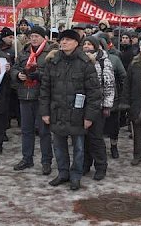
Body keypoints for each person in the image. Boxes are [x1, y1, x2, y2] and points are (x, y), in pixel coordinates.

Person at [40, 29, 102, 191]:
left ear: (76, 43)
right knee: (59, 146)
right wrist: (45, 112)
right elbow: (45, 89)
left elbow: (94, 93)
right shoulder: (52, 61)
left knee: (79, 148)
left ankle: (76, 176)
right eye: (62, 40)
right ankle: (63, 173)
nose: (64, 42)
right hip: (57, 112)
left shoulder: (85, 63)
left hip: (78, 114)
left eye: (68, 40)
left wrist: (89, 116)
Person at [11, 26, 55, 175]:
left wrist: (39, 74)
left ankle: (46, 161)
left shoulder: (50, 53)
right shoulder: (24, 52)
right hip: (25, 96)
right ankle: (27, 158)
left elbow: (53, 74)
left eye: (37, 36)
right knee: (26, 131)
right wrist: (18, 75)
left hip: (41, 97)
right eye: (32, 36)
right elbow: (14, 69)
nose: (34, 39)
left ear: (44, 38)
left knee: (44, 131)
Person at [82, 36, 115, 181]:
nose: (86, 46)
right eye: (85, 44)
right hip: (82, 104)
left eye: (89, 44)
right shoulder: (80, 59)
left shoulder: (103, 62)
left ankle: (101, 166)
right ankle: (85, 164)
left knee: (96, 138)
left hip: (98, 105)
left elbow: (108, 84)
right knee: (83, 138)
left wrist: (107, 105)